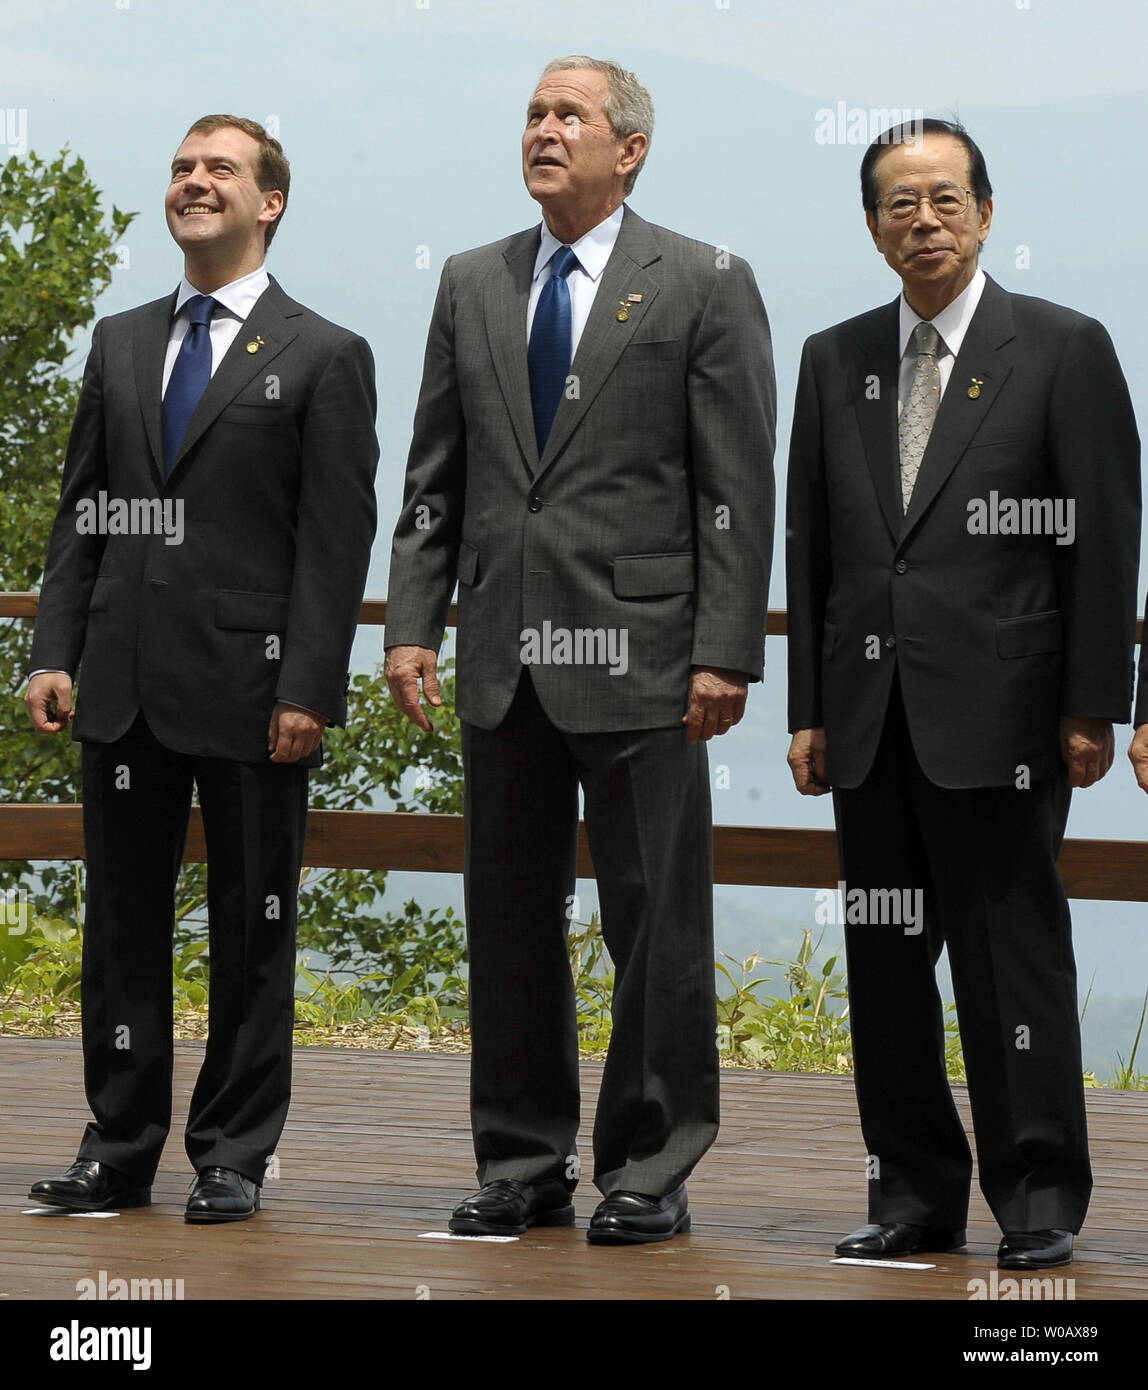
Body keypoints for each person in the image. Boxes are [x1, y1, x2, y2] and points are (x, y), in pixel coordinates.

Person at [384, 56, 774, 1244]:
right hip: (500, 654)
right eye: (533, 114)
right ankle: (519, 1162)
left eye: (570, 115)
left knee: (655, 926)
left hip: (649, 658)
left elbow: (735, 485)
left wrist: (724, 652)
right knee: (506, 918)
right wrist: (410, 622)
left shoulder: (703, 281)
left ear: (631, 148)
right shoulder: (471, 280)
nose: (544, 130)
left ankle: (649, 1168)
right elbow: (432, 477)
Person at [786, 118, 1140, 1272]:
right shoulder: (834, 359)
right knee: (885, 966)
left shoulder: (1059, 346)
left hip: (1005, 722)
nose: (921, 221)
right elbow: (816, 550)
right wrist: (807, 708)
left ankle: (1036, 1198)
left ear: (985, 215)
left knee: (1010, 966)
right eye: (897, 203)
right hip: (867, 719)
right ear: (870, 225)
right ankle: (912, 1197)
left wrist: (1093, 705)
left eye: (943, 200)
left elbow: (1102, 539)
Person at [24, 115, 379, 1223]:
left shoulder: (323, 354)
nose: (194, 182)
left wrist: (308, 687)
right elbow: (83, 514)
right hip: (120, 683)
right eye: (181, 167)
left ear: (268, 202)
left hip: (251, 689)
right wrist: (51, 649)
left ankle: (232, 1153)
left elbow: (334, 541)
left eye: (219, 168)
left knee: (252, 929)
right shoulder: (120, 341)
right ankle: (118, 1146)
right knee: (120, 927)